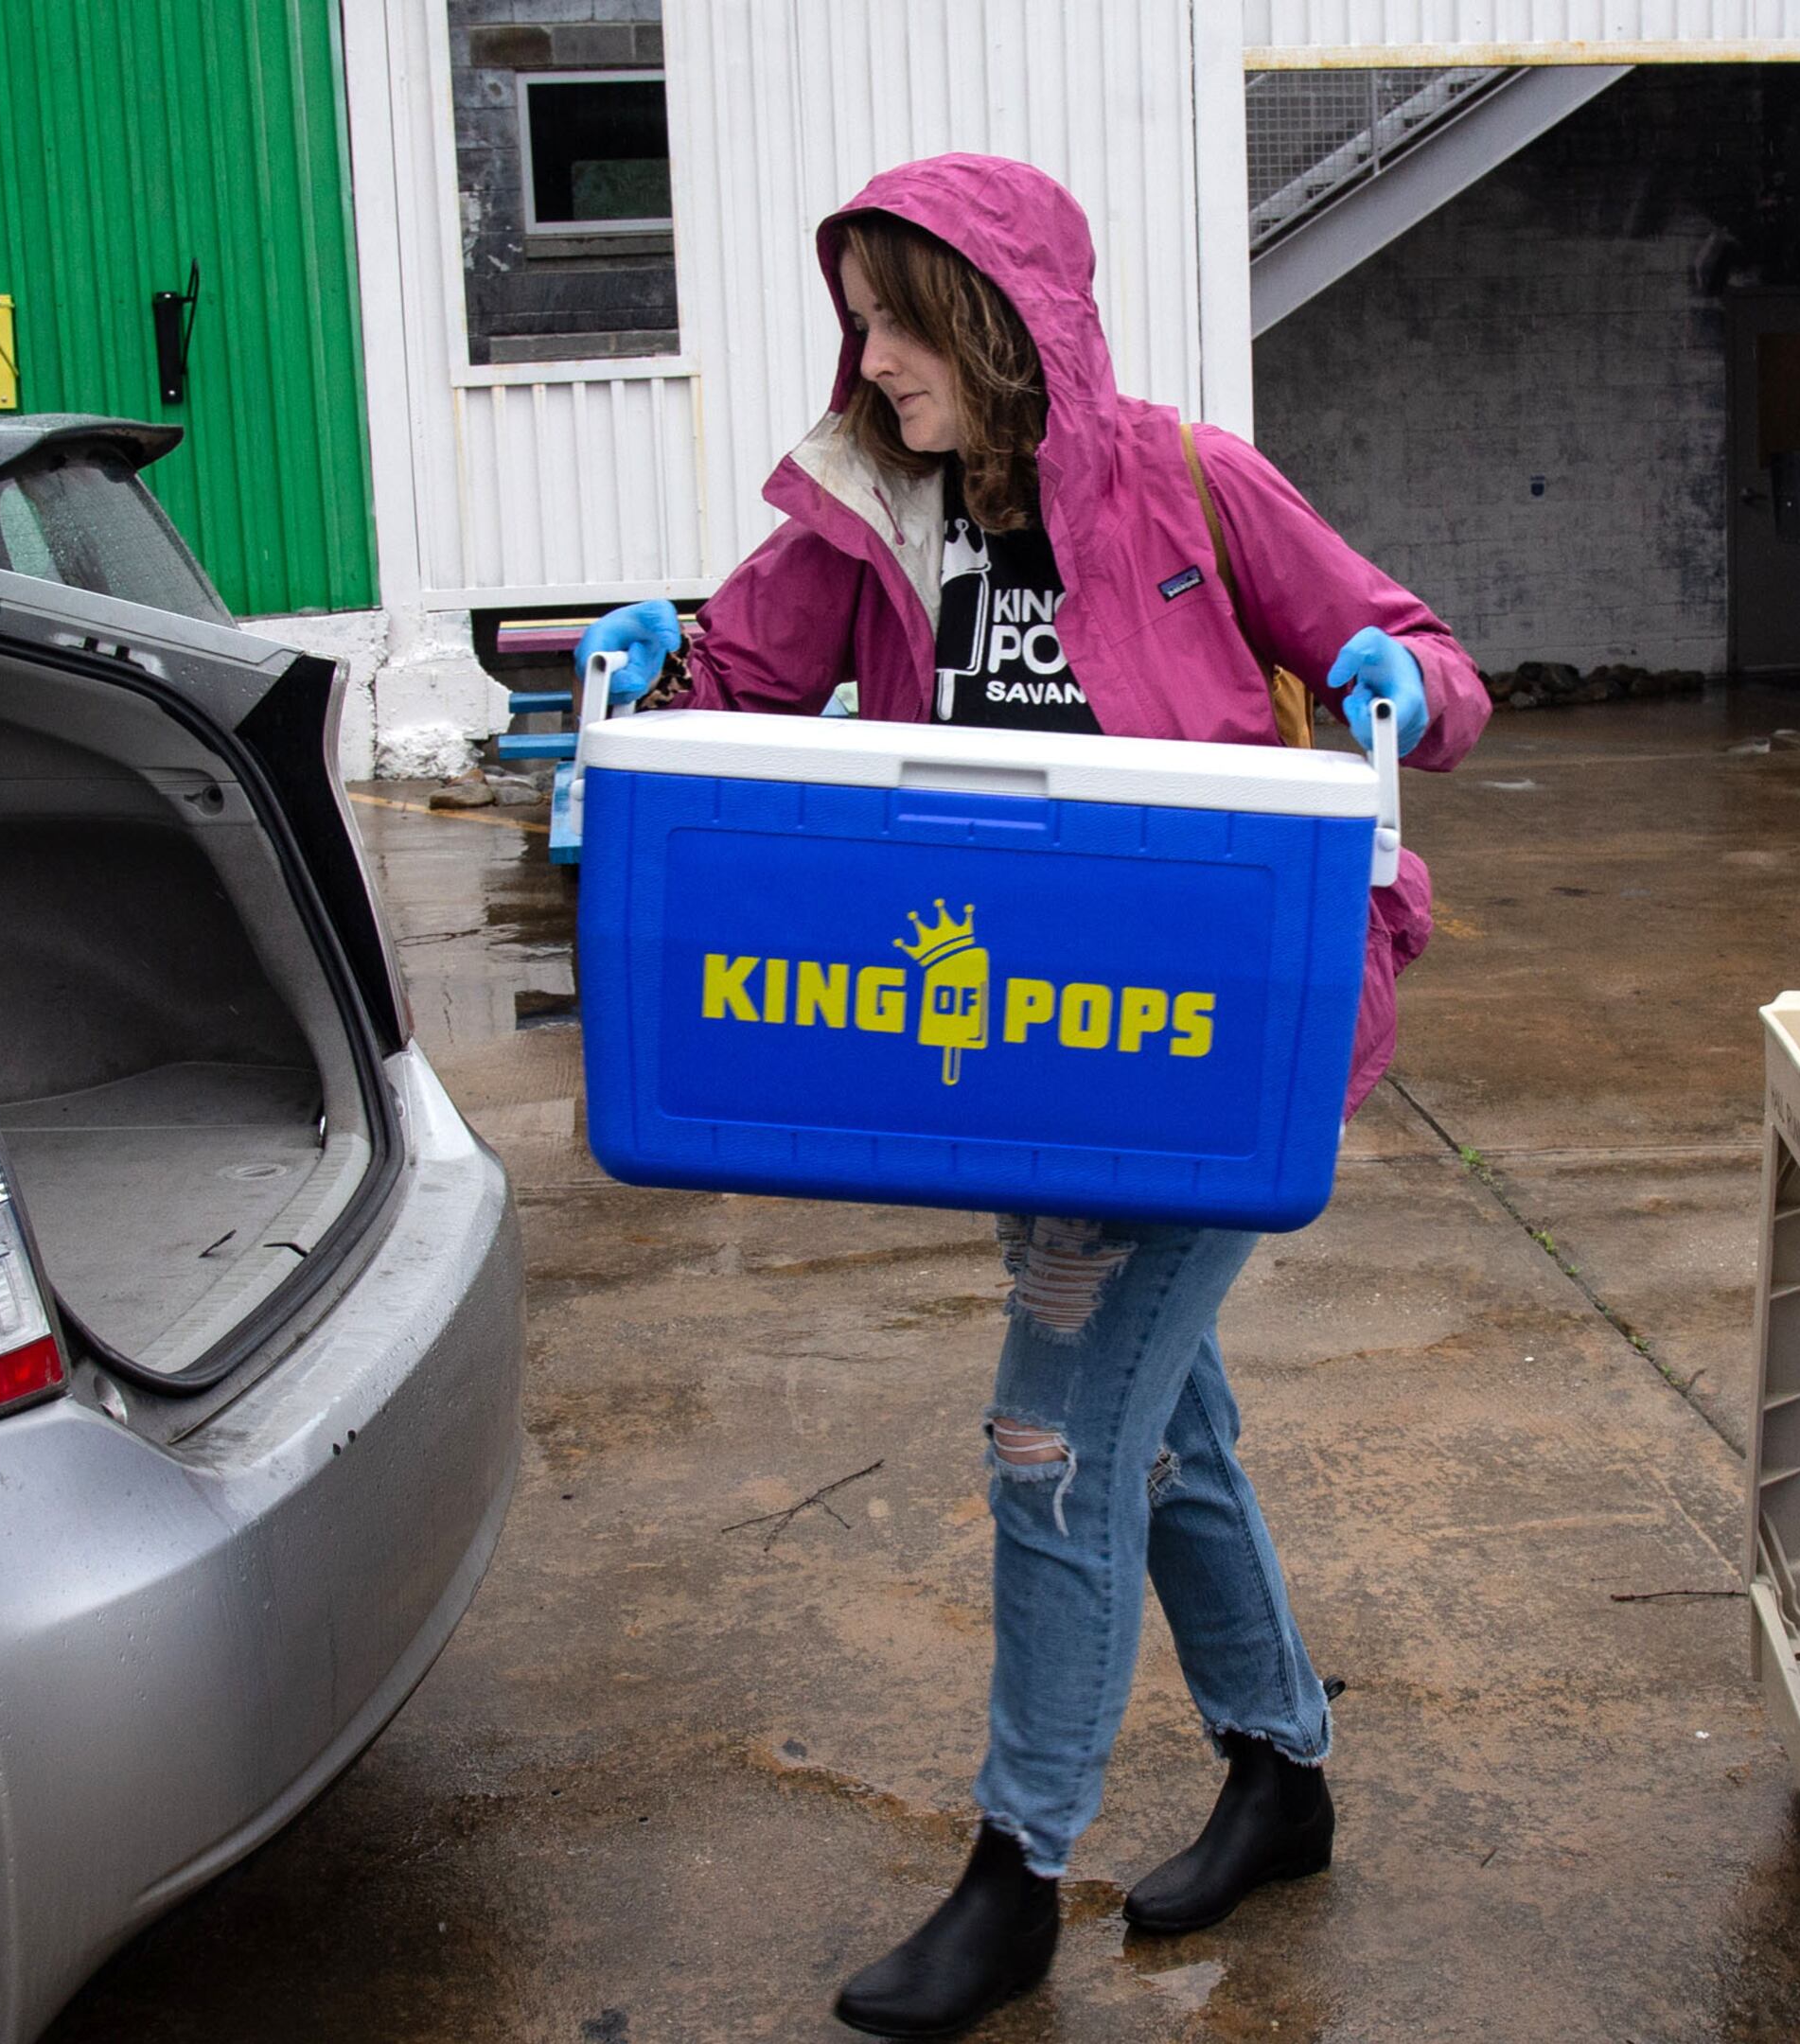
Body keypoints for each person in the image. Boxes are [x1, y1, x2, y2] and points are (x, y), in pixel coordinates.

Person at [573, 153, 1489, 2038]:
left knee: (1050, 1432)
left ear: (993, 320)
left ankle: (1017, 1875)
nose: (873, 354)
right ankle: (1282, 1771)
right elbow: (736, 682)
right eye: (859, 318)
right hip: (1007, 1051)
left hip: (1201, 1047)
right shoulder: (873, 509)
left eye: (901, 316)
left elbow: (1434, 674)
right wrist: (655, 659)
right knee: (1164, 1432)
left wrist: (1400, 683)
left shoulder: (1185, 479)